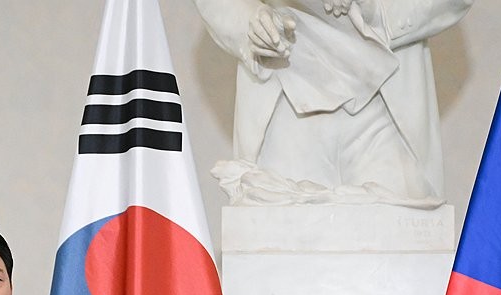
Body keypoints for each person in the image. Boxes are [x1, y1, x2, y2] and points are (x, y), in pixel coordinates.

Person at [193, 0, 473, 206]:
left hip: (383, 111)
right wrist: (249, 20)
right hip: (285, 101)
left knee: (397, 258)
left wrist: (375, 11)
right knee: (278, 257)